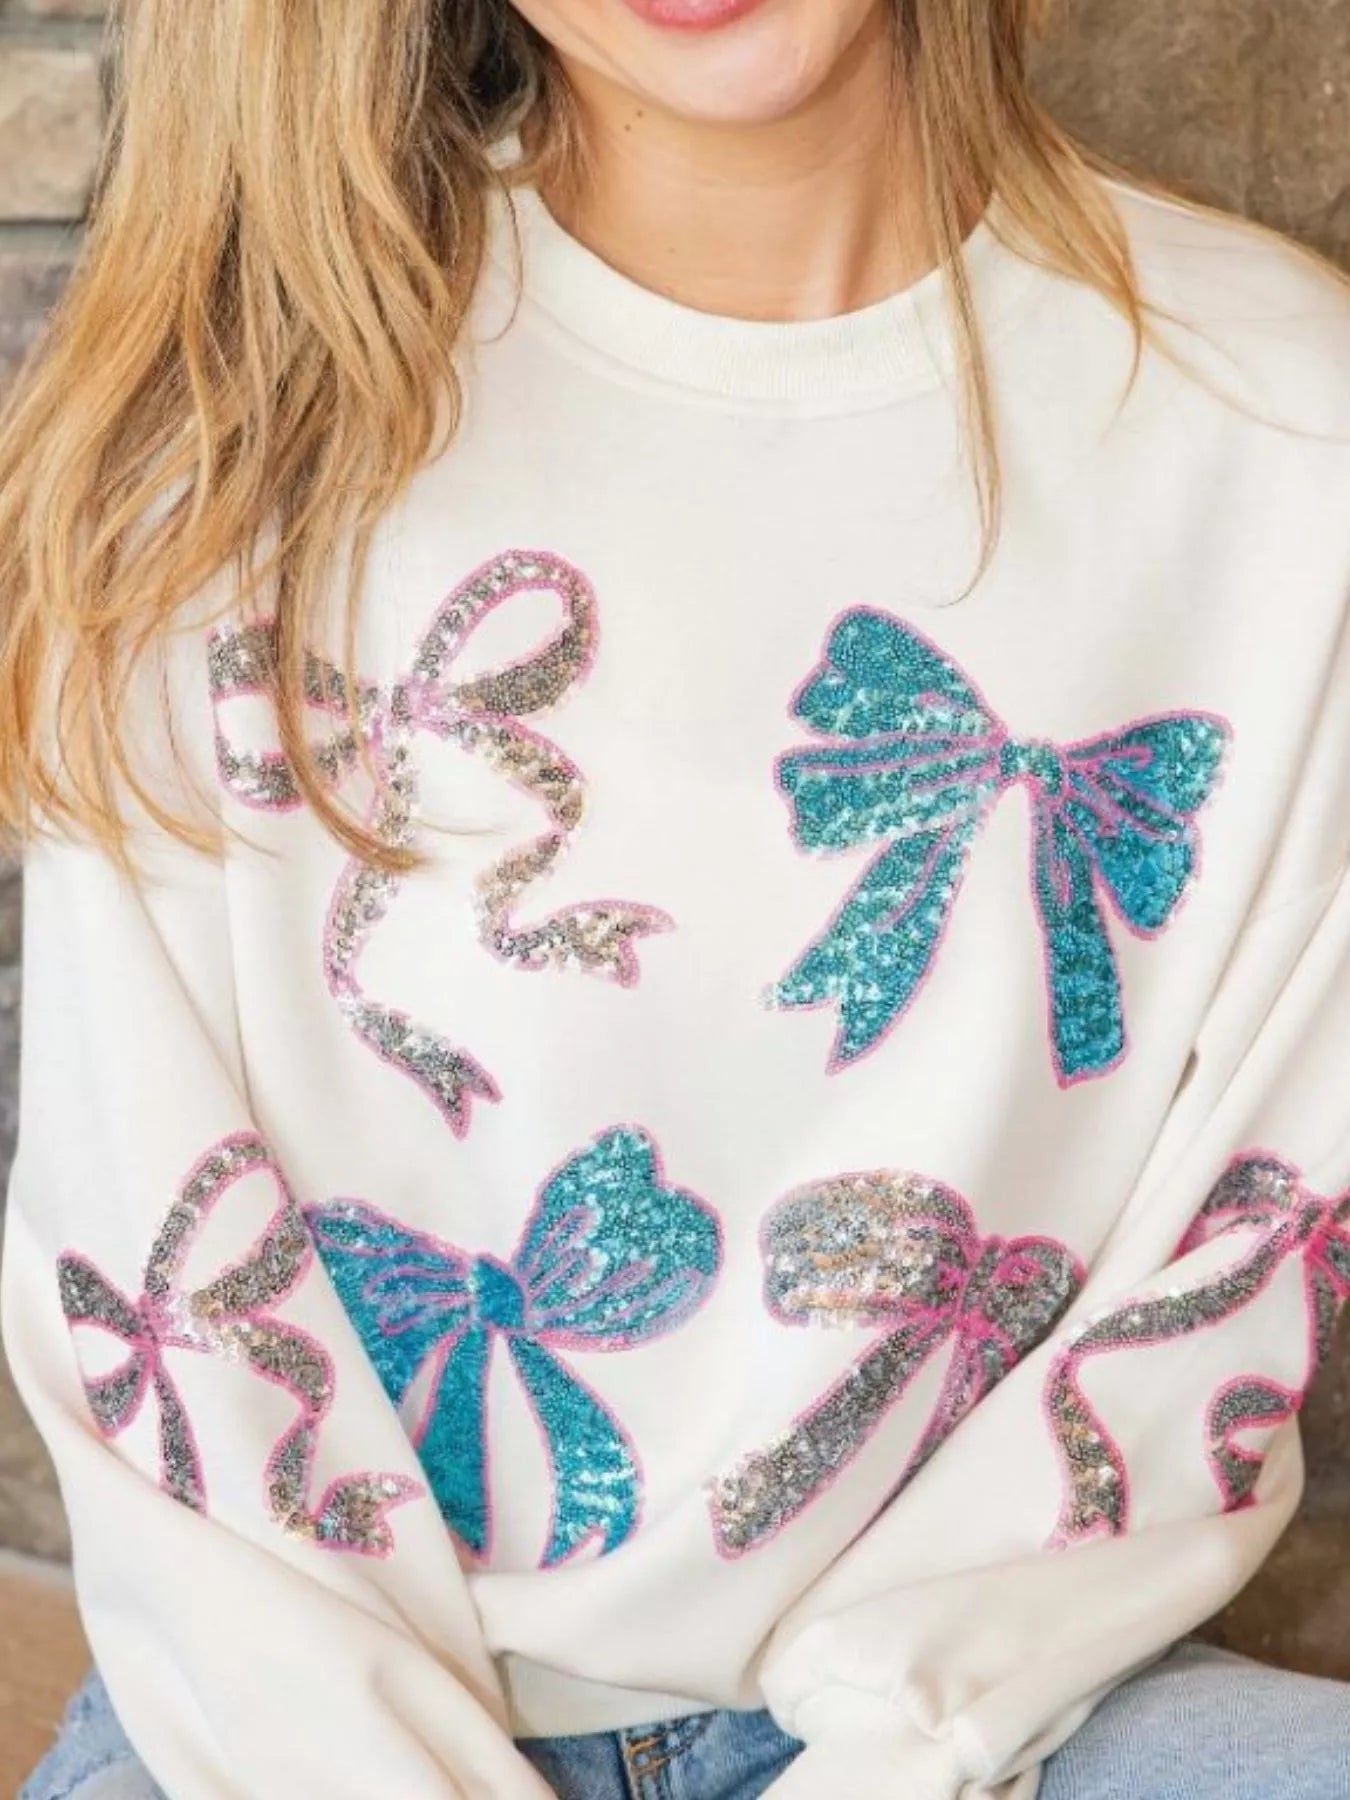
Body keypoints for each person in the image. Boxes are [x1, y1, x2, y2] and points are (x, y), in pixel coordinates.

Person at [3, 1, 1349, 1796]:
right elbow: (160, 1312)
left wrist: (899, 1756)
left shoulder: (1285, 430)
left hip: (999, 1722)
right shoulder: (242, 431)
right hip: (288, 1738)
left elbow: (1218, 1297)